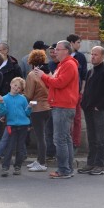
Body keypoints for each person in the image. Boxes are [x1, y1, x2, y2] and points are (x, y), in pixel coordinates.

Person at [34, 40, 79, 179]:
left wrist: (43, 76)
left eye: (58, 49)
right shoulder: (64, 65)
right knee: (65, 138)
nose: (55, 52)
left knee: (60, 139)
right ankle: (68, 168)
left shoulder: (69, 65)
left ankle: (64, 170)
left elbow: (59, 83)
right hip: (62, 105)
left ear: (66, 50)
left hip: (63, 106)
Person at [78, 46, 104, 175]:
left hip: (99, 110)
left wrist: (98, 106)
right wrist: (84, 104)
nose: (93, 56)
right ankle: (90, 163)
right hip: (88, 109)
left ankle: (100, 164)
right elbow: (87, 90)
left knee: (100, 138)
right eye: (92, 54)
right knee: (92, 138)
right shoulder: (90, 71)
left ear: (103, 56)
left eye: (96, 55)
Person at [0, 77, 33, 177]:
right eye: (15, 85)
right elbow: (2, 112)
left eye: (19, 87)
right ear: (11, 84)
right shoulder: (4, 98)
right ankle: (5, 167)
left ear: (21, 90)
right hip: (11, 125)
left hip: (23, 125)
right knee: (9, 147)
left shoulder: (23, 98)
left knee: (20, 148)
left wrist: (29, 107)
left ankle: (18, 167)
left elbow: (27, 113)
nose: (16, 88)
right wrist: (2, 103)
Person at [25, 49, 51, 172]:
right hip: (48, 106)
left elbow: (29, 95)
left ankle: (42, 162)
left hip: (37, 107)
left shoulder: (32, 75)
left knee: (40, 137)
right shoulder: (48, 72)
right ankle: (39, 159)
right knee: (43, 135)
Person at [66, 34, 87, 153]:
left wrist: (82, 89)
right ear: (71, 43)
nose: (79, 45)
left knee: (77, 118)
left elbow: (83, 74)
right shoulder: (64, 57)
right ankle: (67, 140)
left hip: (77, 91)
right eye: (78, 42)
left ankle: (75, 142)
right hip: (67, 93)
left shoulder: (81, 57)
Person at [45, 43, 58, 160]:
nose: (53, 53)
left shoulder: (63, 65)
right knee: (48, 129)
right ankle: (50, 152)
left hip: (59, 102)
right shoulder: (49, 64)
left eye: (55, 51)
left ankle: (59, 153)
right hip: (48, 100)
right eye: (51, 51)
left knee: (58, 130)